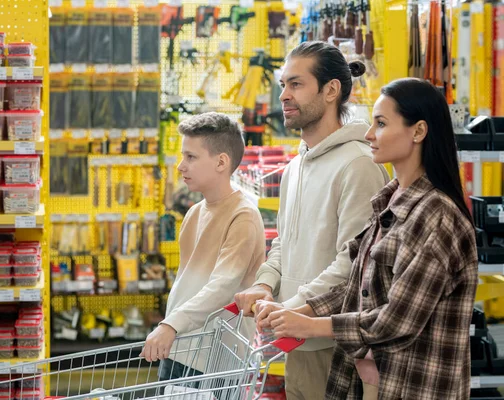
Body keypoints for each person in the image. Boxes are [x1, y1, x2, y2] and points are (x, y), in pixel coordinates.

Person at [258, 78, 478, 399]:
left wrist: (312, 326)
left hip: (416, 387)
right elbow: (358, 286)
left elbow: (397, 320)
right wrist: (300, 312)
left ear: (418, 131)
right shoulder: (388, 201)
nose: (369, 134)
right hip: (372, 382)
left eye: (381, 123)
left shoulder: (436, 216)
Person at [234, 41, 389, 399]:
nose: (284, 96)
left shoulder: (358, 164)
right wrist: (265, 285)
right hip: (295, 340)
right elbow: (283, 243)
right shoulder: (295, 166)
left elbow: (353, 264)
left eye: (296, 84)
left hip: (333, 344)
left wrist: (290, 309)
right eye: (283, 85)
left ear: (331, 90)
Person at [140, 112, 266, 382]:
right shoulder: (195, 213)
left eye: (191, 157)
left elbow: (224, 286)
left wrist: (172, 323)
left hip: (215, 359)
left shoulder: (242, 216)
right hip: (178, 348)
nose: (180, 166)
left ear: (221, 162)